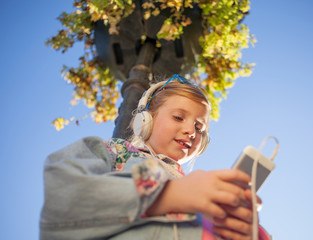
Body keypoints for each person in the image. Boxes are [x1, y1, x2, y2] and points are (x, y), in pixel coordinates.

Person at [40, 74, 271, 240]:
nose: (192, 131)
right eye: (179, 117)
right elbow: (63, 194)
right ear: (145, 120)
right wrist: (170, 194)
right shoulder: (116, 152)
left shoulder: (198, 188)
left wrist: (248, 231)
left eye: (200, 127)